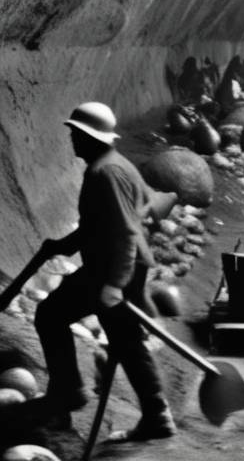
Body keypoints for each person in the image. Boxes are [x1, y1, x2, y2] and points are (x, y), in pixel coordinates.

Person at [35, 103, 175, 440]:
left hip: (114, 268)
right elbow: (100, 223)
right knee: (126, 341)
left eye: (75, 134)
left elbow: (127, 231)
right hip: (118, 265)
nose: (72, 141)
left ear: (88, 137)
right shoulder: (115, 164)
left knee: (50, 315)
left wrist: (115, 285)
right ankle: (156, 416)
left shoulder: (105, 173)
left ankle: (67, 395)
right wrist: (62, 245)